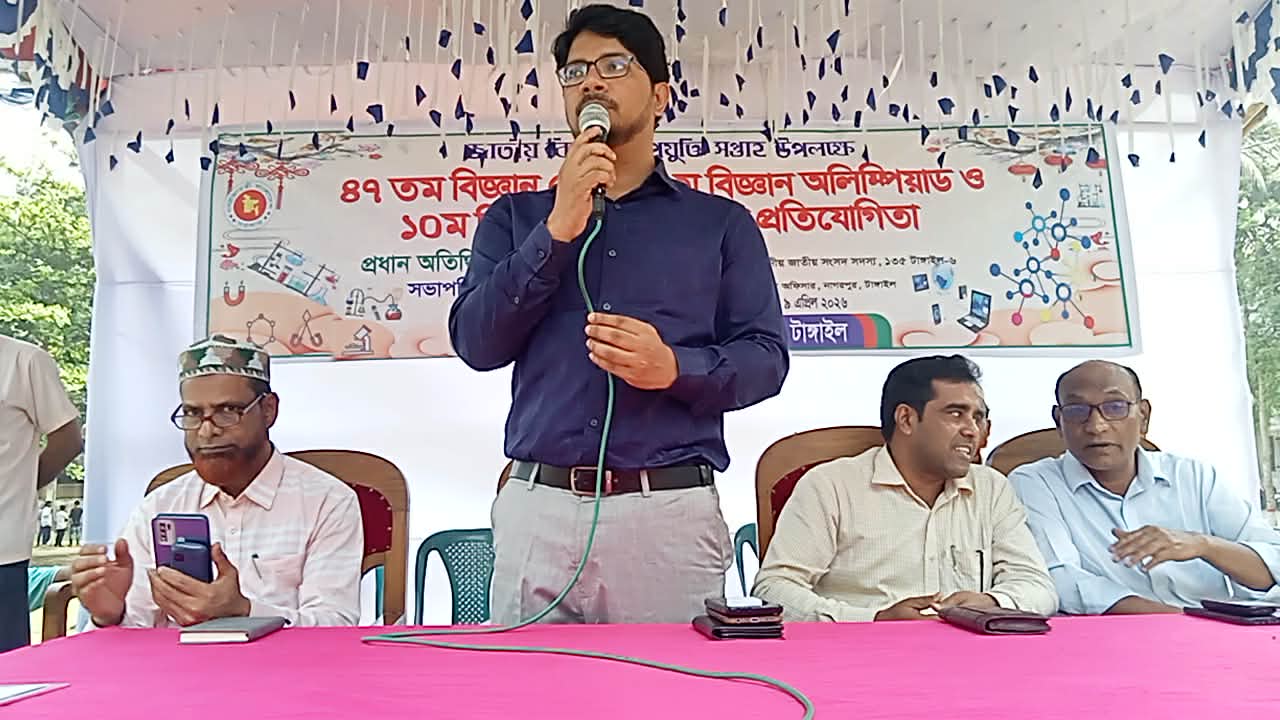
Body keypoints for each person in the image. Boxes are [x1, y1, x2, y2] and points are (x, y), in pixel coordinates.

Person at [449, 4, 789, 624]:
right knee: (525, 681)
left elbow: (766, 360)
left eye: (613, 66)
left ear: (659, 95)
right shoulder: (517, 219)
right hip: (538, 508)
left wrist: (674, 368)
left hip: (664, 514)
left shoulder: (719, 225)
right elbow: (476, 343)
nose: (591, 82)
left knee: (667, 682)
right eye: (575, 72)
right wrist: (557, 229)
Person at [69, 335, 364, 628]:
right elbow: (135, 630)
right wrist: (111, 615)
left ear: (268, 410)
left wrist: (244, 612)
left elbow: (335, 624)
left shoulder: (326, 501)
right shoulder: (160, 506)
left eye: (227, 411)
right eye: (192, 414)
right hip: (174, 660)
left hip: (286, 660)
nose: (206, 431)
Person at [754, 356, 1058, 621]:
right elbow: (774, 589)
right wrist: (873, 620)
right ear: (906, 419)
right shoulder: (832, 486)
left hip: (969, 654)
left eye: (978, 417)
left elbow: (1038, 587)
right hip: (859, 654)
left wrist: (992, 601)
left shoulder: (991, 488)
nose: (972, 430)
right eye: (956, 414)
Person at [1010, 360, 1280, 614]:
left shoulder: (1194, 476)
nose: (1096, 426)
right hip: (1115, 634)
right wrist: (1179, 619)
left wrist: (1203, 545)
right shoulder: (1035, 483)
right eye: (1077, 410)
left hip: (1223, 629)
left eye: (1115, 407)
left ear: (1143, 417)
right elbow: (1058, 578)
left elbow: (1272, 565)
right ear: (1059, 422)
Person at [0, 333, 82, 652]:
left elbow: (67, 439)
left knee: (6, 671)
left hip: (4, 555)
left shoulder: (24, 361)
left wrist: (21, 485)